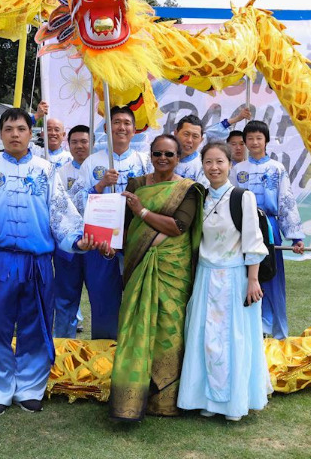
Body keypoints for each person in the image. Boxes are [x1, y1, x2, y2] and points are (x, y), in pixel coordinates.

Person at [0, 108, 106, 416]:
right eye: (8, 129)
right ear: (2, 133)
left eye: (20, 129)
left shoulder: (45, 170)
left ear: (29, 133)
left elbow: (61, 214)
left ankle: (29, 388)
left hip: (37, 262)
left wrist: (77, 239)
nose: (14, 134)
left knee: (35, 325)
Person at [108, 134, 204, 422]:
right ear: (150, 155)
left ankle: (166, 399)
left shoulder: (188, 189)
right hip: (138, 264)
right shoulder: (136, 184)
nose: (163, 158)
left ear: (178, 158)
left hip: (172, 269)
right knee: (135, 325)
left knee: (168, 327)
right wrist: (110, 245)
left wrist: (143, 210)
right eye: (158, 153)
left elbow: (179, 226)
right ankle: (131, 397)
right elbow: (125, 226)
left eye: (169, 154)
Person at [177, 142, 273, 421]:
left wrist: (253, 280)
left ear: (230, 164)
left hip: (235, 277)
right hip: (206, 277)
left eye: (220, 162)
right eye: (208, 162)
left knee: (233, 338)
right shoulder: (199, 196)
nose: (214, 167)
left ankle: (232, 402)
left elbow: (253, 241)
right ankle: (206, 399)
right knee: (205, 337)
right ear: (202, 165)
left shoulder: (243, 197)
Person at [69, 106, 151, 339]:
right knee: (104, 299)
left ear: (134, 130)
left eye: (126, 123)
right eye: (116, 122)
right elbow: (74, 202)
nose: (121, 127)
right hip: (102, 241)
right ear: (106, 128)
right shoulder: (92, 162)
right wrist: (100, 185)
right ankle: (104, 354)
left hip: (135, 238)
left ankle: (134, 353)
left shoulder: (144, 161)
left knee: (138, 298)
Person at [233, 120, 304, 339]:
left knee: (271, 276)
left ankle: (275, 329)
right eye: (250, 138)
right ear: (244, 142)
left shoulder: (276, 168)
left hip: (269, 227)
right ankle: (250, 329)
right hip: (242, 226)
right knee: (245, 275)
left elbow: (286, 201)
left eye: (259, 138)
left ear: (266, 140)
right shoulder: (237, 169)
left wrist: (295, 237)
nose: (254, 142)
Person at [53, 125, 93, 338]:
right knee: (65, 298)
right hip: (68, 243)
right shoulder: (60, 172)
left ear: (92, 143)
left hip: (96, 241)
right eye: (75, 142)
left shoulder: (102, 168)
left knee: (100, 297)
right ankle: (62, 347)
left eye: (84, 141)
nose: (79, 146)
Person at [174, 114, 207, 185]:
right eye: (186, 134)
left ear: (201, 140)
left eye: (195, 136)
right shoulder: (160, 157)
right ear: (175, 133)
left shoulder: (203, 166)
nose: (189, 140)